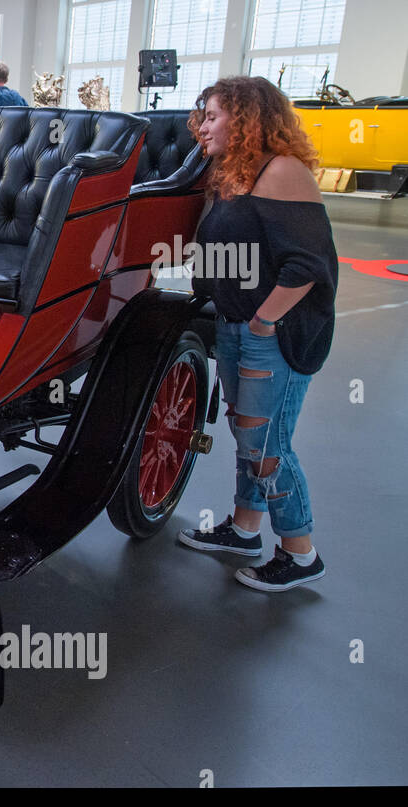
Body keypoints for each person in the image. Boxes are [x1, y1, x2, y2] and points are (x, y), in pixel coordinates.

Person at [176, 76, 338, 592]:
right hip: (236, 324)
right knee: (248, 434)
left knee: (267, 443)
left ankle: (300, 552)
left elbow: (307, 264)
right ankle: (245, 530)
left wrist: (264, 320)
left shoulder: (282, 171)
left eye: (214, 116)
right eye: (203, 115)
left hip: (273, 329)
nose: (203, 125)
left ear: (247, 120)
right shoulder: (230, 173)